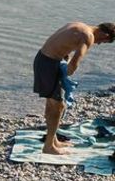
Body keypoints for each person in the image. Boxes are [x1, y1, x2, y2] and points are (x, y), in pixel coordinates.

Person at [33, 21, 115, 152]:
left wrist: (62, 62)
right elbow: (75, 62)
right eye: (104, 41)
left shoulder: (79, 25)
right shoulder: (88, 36)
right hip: (49, 65)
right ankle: (48, 147)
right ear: (105, 34)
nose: (98, 43)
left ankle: (53, 141)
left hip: (43, 59)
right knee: (58, 106)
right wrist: (67, 73)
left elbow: (63, 45)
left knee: (53, 104)